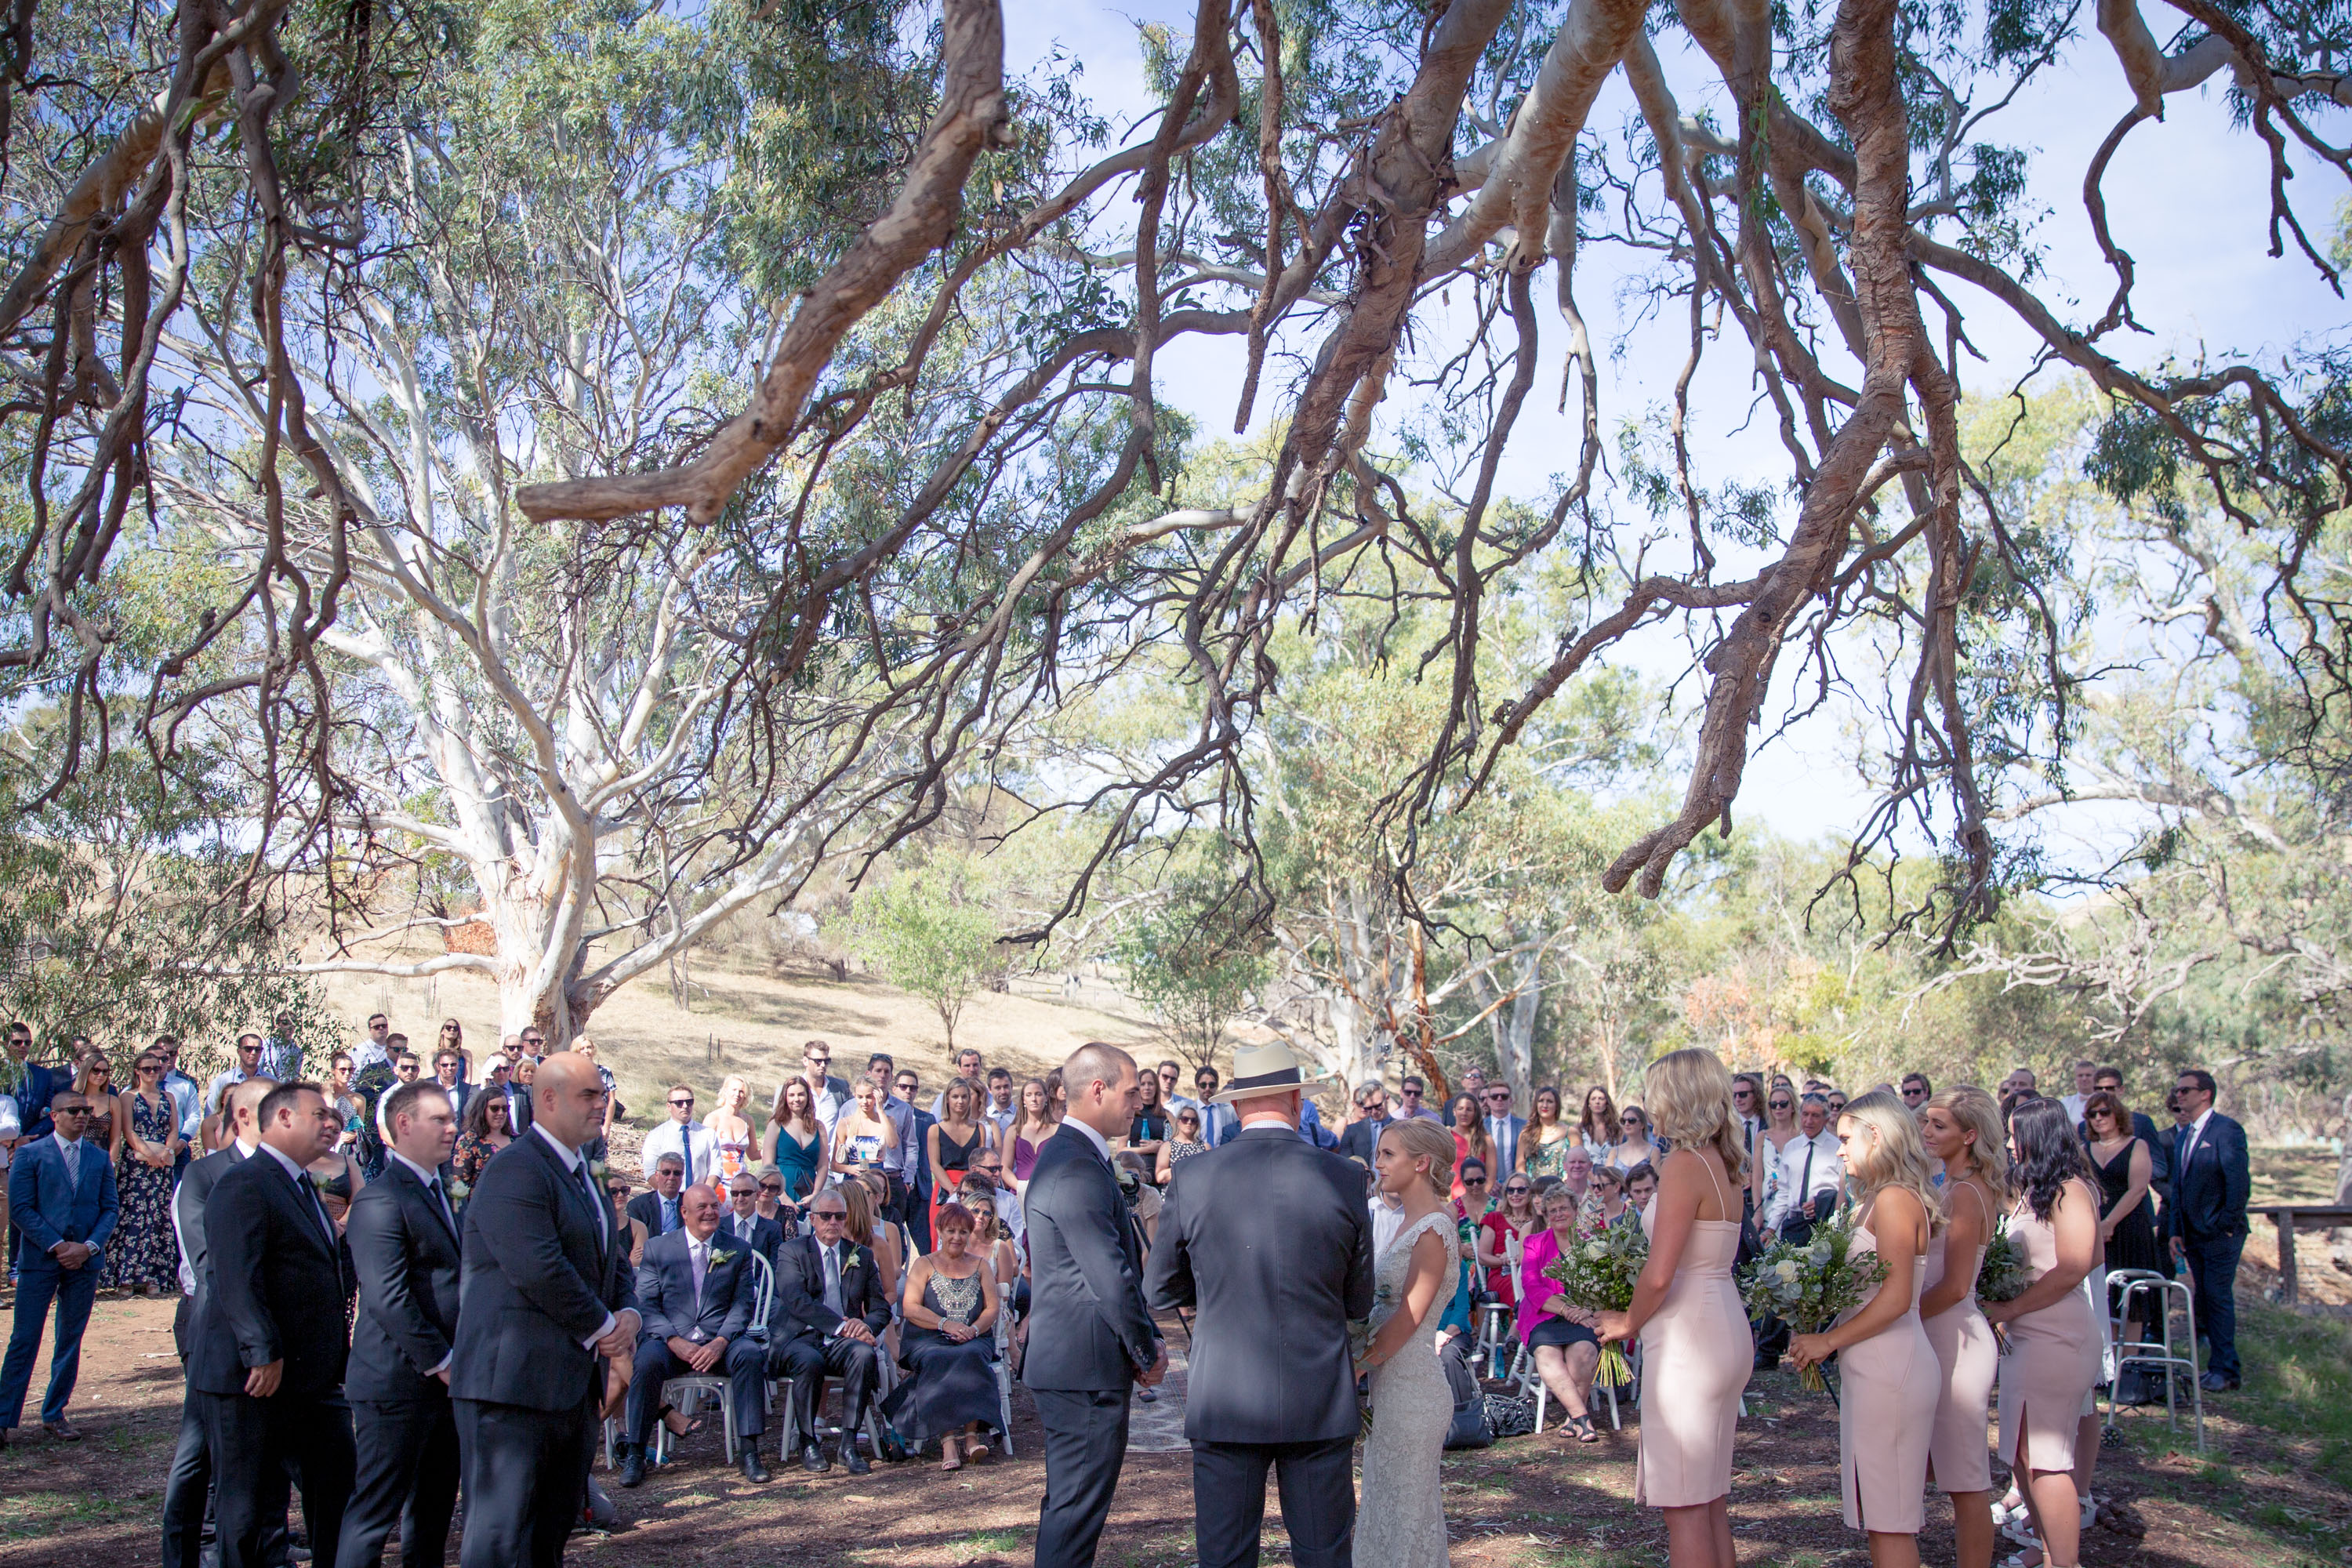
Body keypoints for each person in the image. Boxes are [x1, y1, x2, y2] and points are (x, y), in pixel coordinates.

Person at [1145, 1040, 1371, 1568]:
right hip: (1317, 1392)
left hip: (1226, 1392)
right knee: (1324, 1554)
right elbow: (1358, 1299)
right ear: (1296, 1100)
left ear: (1235, 1106)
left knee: (1225, 1555)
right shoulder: (1344, 1176)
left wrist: (1217, 1292)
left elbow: (1160, 1288)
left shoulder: (1194, 1175)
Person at [449, 1052, 640, 1568]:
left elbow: (610, 1258)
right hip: (511, 1388)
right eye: (588, 1095)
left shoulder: (584, 1173)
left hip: (568, 1387)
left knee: (549, 1537)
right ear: (548, 1099)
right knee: (498, 1539)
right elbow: (537, 1266)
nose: (601, 1105)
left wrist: (629, 1313)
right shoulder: (516, 1168)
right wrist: (604, 1327)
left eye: (602, 1094)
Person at [1595, 1050, 1751, 1568]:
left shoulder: (1686, 1164)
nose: (1649, 1106)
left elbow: (1660, 1273)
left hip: (1690, 1336)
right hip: (1724, 1321)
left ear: (1678, 1098)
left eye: (1655, 1094)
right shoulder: (1726, 1162)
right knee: (1709, 1500)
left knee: (1684, 1507)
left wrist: (1628, 1321)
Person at [190, 1081, 355, 1568]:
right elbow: (234, 1275)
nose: (332, 1124)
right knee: (248, 1507)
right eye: (319, 1115)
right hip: (253, 1378)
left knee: (337, 1485)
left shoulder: (302, 1183)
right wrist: (262, 1352)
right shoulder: (244, 1183)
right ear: (283, 1118)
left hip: (309, 1377)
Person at [1026, 1044, 1167, 1568]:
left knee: (1073, 1507)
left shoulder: (1078, 1157)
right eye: (1131, 1093)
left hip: (1080, 1362)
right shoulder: (1074, 1165)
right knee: (1074, 1512)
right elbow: (1108, 1274)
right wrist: (1146, 1347)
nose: (1139, 1102)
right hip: (1082, 1366)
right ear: (1097, 1089)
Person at [1788, 1092, 1941, 1568]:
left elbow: (1896, 1298)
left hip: (1891, 1363)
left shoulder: (1894, 1199)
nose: (1839, 1150)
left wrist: (1827, 1341)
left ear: (1876, 1136)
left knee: (1890, 1515)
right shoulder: (1874, 1198)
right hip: (1871, 1362)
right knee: (1877, 1512)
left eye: (1846, 1138)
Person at [339, 1081, 464, 1568]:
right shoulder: (381, 1200)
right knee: (375, 1513)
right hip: (396, 1382)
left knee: (433, 1512)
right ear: (404, 1124)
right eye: (440, 1120)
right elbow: (388, 1298)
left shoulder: (444, 1191)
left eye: (453, 1119)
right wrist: (443, 1362)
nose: (452, 1128)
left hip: (445, 1384)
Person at [1978, 1098, 2101, 1568]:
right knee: (2021, 1455)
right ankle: (2044, 1546)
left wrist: (2011, 1306)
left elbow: (2076, 1265)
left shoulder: (2071, 1190)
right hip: (2026, 1337)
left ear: (2039, 1136)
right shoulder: (2035, 1191)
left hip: (2057, 1337)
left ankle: (2063, 1561)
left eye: (2015, 1134)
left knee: (2048, 1459)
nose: (2010, 1144)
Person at [162, 1076, 272, 1568]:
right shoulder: (205, 1175)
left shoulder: (288, 1174)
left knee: (261, 1456)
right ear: (244, 1115)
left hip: (272, 1334)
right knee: (199, 1453)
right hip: (216, 1329)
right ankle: (182, 1553)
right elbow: (209, 1260)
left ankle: (267, 1546)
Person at [1355, 1119, 1462, 1568]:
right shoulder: (1406, 1222)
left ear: (1421, 1163)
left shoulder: (1434, 1228)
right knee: (1387, 1508)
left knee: (1407, 1515)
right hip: (1392, 1388)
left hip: (1414, 1392)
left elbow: (1409, 1317)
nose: (1378, 1164)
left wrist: (1356, 1366)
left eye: (1388, 1154)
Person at [616, 1181, 769, 1486]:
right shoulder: (659, 1248)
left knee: (750, 1355)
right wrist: (674, 1341)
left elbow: (743, 1304)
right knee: (645, 1362)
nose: (711, 1212)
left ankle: (750, 1453)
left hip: (720, 1342)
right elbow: (646, 1304)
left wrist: (721, 1341)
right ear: (684, 1213)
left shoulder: (737, 1248)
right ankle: (635, 1452)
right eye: (702, 1207)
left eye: (714, 1206)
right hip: (671, 1343)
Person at [0, 1089, 118, 1445]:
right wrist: (57, 1245)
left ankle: (55, 1413)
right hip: (41, 1260)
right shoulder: (31, 1154)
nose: (81, 1116)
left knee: (70, 1338)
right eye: (73, 1111)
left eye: (85, 1111)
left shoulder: (99, 1158)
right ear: (54, 1115)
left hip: (84, 1260)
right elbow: (20, 1209)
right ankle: (4, 1418)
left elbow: (110, 1208)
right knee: (25, 1338)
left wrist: (88, 1247)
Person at [1920, 1087, 2004, 1568]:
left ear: (1970, 1135)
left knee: (1966, 1478)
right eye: (1926, 1123)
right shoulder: (1950, 1186)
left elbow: (1954, 1287)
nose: (1927, 1132)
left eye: (1939, 1125)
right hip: (1938, 1333)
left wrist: (1896, 1315)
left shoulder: (1968, 1194)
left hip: (1956, 1338)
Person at [757, 1188, 891, 1475]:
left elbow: (880, 1307)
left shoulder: (861, 1255)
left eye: (839, 1216)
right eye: (826, 1216)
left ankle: (849, 1443)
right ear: (813, 1219)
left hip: (843, 1341)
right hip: (799, 1336)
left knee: (863, 1355)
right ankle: (808, 1441)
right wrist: (843, 1327)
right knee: (809, 1361)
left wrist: (865, 1326)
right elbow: (796, 1301)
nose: (833, 1222)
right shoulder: (792, 1251)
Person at [884, 1200, 1004, 1469]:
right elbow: (910, 1308)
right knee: (939, 1357)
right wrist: (945, 1324)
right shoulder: (924, 1264)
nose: (957, 1237)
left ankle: (971, 1438)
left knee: (971, 1355)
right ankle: (948, 1441)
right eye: (951, 1231)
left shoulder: (981, 1265)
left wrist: (973, 1329)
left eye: (963, 1232)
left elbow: (992, 1308)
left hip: (974, 1337)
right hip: (929, 1338)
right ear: (939, 1231)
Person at [2165, 1068, 2248, 1393]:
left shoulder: (2226, 1130)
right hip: (2192, 1235)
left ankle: (2226, 1370)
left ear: (2205, 1094)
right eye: (2177, 1090)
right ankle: (2217, 1366)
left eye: (2185, 1090)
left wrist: (2225, 1226)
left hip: (2220, 1235)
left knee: (2217, 1296)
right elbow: (2178, 1187)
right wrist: (2175, 1230)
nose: (2179, 1095)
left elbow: (2238, 1183)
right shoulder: (2185, 1135)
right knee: (2205, 1297)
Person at [1519, 1182, 1606, 1441]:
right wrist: (1567, 1309)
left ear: (1575, 1210)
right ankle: (1583, 1418)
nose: (1558, 1214)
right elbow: (1532, 1286)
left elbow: (1604, 1284)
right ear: (1545, 1215)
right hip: (1545, 1316)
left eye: (1564, 1208)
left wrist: (1586, 1310)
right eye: (1553, 1210)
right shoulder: (1534, 1243)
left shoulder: (1591, 1243)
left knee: (1584, 1353)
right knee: (1547, 1355)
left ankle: (1573, 1418)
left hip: (1584, 1315)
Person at [106, 1048, 185, 1295]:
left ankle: (154, 1276)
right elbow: (128, 1131)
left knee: (158, 1217)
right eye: (147, 1069)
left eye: (156, 1068)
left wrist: (167, 1151)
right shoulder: (128, 1097)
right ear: (137, 1071)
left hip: (162, 1163)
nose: (152, 1072)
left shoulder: (169, 1097)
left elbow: (174, 1128)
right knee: (132, 1216)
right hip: (137, 1164)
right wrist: (148, 1154)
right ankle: (126, 1277)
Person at [2085, 1090, 2161, 1280]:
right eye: (2092, 1114)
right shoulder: (2083, 1150)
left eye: (2104, 1112)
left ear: (2117, 1114)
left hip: (2130, 1225)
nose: (2098, 1118)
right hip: (2095, 1227)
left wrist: (2110, 1223)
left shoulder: (2137, 1145)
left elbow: (2138, 1189)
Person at [1760, 1094, 1842, 1239]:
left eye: (1815, 1116)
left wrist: (1823, 1202)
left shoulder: (1837, 1148)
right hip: (1795, 1224)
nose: (1809, 1121)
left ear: (1826, 1119)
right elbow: (1784, 1191)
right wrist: (1771, 1228)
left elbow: (1844, 1189)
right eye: (1805, 1114)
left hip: (1824, 1223)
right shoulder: (1792, 1147)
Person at [930, 1076, 991, 1231]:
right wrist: (952, 1190)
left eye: (964, 1096)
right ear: (947, 1099)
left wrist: (970, 1189)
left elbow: (981, 1162)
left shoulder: (979, 1128)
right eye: (955, 1096)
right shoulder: (935, 1130)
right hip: (944, 1188)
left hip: (973, 1187)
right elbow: (934, 1164)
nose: (960, 1101)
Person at [764, 1076, 829, 1212]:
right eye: (791, 1095)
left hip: (808, 1193)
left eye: (801, 1094)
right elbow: (768, 1166)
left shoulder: (819, 1127)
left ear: (808, 1096)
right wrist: (783, 1197)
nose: (796, 1099)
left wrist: (815, 1194)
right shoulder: (776, 1125)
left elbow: (823, 1165)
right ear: (785, 1097)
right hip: (781, 1190)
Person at [309, 1100, 370, 1232]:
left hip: (341, 1232)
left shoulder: (349, 1162)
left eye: (335, 1131)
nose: (329, 1134)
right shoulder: (298, 1159)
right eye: (325, 1129)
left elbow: (359, 1202)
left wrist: (340, 1227)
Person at [641, 1083, 717, 1185]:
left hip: (699, 1192)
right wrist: (666, 1193)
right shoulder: (656, 1136)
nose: (685, 1106)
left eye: (689, 1102)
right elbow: (650, 1172)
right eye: (679, 1103)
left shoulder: (708, 1134)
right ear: (669, 1106)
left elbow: (715, 1169)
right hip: (668, 1193)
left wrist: (704, 1192)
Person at [775, 1039, 852, 1135]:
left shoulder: (840, 1088)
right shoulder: (788, 1090)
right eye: (818, 1061)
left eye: (826, 1061)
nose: (823, 1065)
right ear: (805, 1061)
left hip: (832, 1145)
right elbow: (777, 1124)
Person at [831, 1077, 901, 1183]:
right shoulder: (846, 1123)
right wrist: (849, 1169)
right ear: (855, 1096)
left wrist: (881, 1110)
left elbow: (893, 1144)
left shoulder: (887, 1121)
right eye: (860, 1097)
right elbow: (834, 1165)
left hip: (877, 1178)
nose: (865, 1102)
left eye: (869, 1097)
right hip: (853, 1179)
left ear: (876, 1096)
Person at [450, 1087, 513, 1196]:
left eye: (505, 1108)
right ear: (483, 1110)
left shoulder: (516, 1140)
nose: (501, 1113)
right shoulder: (469, 1142)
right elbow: (460, 1185)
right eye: (495, 1108)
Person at [720, 1173, 786, 1267]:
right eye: (735, 1194)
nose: (740, 1198)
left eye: (746, 1193)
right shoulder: (719, 1227)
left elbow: (774, 1267)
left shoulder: (773, 1229)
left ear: (758, 1195)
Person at [706, 1075, 757, 1184]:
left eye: (741, 1091)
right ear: (725, 1091)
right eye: (734, 1090)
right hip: (718, 1180)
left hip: (741, 1182)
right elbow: (703, 1152)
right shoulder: (713, 1118)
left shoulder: (748, 1121)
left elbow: (753, 1155)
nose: (737, 1094)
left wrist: (777, 1148)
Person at [1010, 1077, 1058, 1187]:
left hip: (1050, 1189)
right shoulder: (1014, 1131)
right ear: (1023, 1099)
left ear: (1046, 1097)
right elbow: (1005, 1169)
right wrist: (1020, 1188)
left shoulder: (1057, 1130)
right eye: (1029, 1095)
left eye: (1038, 1094)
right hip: (1019, 1191)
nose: (1034, 1099)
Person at [1517, 1085, 1573, 1180]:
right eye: (1541, 1101)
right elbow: (1520, 1167)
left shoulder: (1570, 1133)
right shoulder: (1526, 1134)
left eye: (1550, 1101)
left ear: (1557, 1105)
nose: (1545, 1105)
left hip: (1563, 1187)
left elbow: (1578, 1163)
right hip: (1532, 1187)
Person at [1446, 1092, 1494, 1202]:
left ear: (1475, 1112)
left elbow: (1491, 1176)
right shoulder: (1445, 1136)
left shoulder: (1486, 1139)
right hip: (1450, 1200)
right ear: (1454, 1111)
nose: (1464, 1113)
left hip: (1479, 1200)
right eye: (1460, 1109)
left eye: (1469, 1109)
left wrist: (1480, 1199)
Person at [205, 1033, 268, 1116]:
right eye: (248, 1049)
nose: (253, 1053)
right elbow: (210, 1114)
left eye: (258, 1049)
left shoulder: (270, 1081)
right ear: (239, 1052)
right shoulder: (222, 1081)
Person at [1334, 1080, 1396, 1163]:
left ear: (1387, 1098)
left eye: (1378, 1106)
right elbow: (1344, 1163)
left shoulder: (1401, 1129)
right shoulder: (1352, 1131)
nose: (1374, 1112)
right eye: (1369, 1108)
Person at [628, 1153, 689, 1237]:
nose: (671, 1177)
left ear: (682, 1176)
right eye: (666, 1173)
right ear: (657, 1175)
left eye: (677, 1173)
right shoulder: (638, 1206)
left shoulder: (690, 1205)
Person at [1606, 1103, 1664, 1176]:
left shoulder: (1654, 1152)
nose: (1627, 1124)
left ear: (1642, 1125)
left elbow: (1653, 1178)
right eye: (1623, 1121)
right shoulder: (1614, 1151)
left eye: (1631, 1120)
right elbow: (1607, 1178)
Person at [1156, 1105, 1210, 1182]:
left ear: (1197, 1124)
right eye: (1185, 1119)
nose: (1189, 1122)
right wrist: (1186, 1166)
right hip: (1176, 1188)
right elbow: (1160, 1177)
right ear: (1178, 1122)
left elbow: (1211, 1172)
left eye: (1193, 1120)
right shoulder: (1168, 1146)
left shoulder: (1205, 1147)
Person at [1482, 1083, 1526, 1177]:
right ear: (1488, 1101)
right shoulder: (1480, 1127)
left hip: (1516, 1183)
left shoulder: (1524, 1126)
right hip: (1487, 1183)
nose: (1499, 1099)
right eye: (1494, 1096)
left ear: (1510, 1100)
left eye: (1504, 1096)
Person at [1192, 1065, 1238, 1145]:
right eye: (1203, 1085)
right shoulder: (1189, 1111)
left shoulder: (1230, 1110)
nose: (1207, 1088)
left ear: (1217, 1086)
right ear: (1197, 1086)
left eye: (1211, 1085)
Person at [432, 1049, 474, 1126]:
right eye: (445, 1065)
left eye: (453, 1064)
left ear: (458, 1065)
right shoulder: (427, 1086)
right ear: (437, 1066)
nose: (449, 1068)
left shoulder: (467, 1089)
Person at [1576, 1084, 1618, 1159]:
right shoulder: (1579, 1129)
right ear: (1589, 1104)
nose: (1597, 1102)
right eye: (1593, 1099)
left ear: (1607, 1103)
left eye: (1601, 1099)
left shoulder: (1616, 1129)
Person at [2060, 1060, 2098, 1126]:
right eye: (2080, 1075)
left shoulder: (2105, 1101)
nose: (2084, 1079)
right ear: (2075, 1078)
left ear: (2095, 1077)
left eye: (2088, 1075)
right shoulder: (2066, 1103)